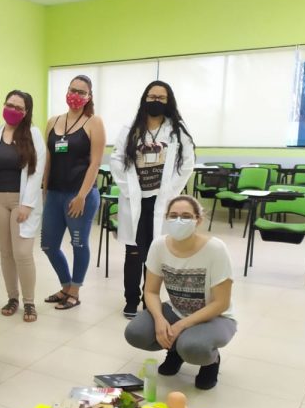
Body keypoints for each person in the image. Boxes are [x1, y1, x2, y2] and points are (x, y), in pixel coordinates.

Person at [124, 195, 236, 390]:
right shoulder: (159, 245)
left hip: (216, 316)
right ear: (166, 218)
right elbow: (150, 291)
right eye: (173, 215)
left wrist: (180, 325)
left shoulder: (215, 249)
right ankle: (175, 351)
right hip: (177, 310)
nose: (179, 221)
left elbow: (221, 303)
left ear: (198, 220)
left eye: (186, 216)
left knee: (193, 347)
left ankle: (211, 361)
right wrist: (159, 319)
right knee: (135, 333)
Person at [110, 80, 195, 319]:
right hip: (135, 199)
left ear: (168, 102)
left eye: (161, 98)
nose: (155, 101)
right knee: (133, 251)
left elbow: (187, 163)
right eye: (152, 96)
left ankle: (150, 301)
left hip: (161, 200)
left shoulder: (177, 130)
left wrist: (170, 190)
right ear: (144, 99)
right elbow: (116, 159)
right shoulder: (130, 128)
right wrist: (129, 189)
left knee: (155, 253)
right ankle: (130, 299)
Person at [0, 90, 46, 322]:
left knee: (22, 253)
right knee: (5, 253)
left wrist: (27, 204)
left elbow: (36, 172)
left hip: (21, 201)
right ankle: (12, 298)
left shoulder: (33, 134)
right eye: (9, 105)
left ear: (26, 112)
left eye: (18, 107)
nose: (12, 110)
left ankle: (29, 302)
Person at [41, 74, 106, 310]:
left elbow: (95, 163)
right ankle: (66, 285)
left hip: (80, 196)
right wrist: (44, 189)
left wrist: (81, 196)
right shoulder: (53, 121)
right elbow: (48, 159)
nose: (75, 95)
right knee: (48, 245)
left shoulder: (94, 122)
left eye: (81, 92)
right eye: (72, 90)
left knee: (78, 243)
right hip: (54, 194)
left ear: (89, 96)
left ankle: (75, 291)